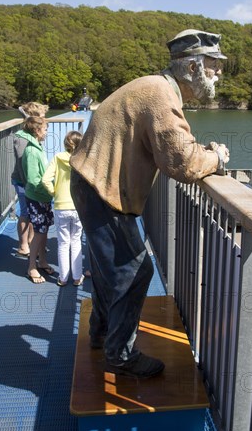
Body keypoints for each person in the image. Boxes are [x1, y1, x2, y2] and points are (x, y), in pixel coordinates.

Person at [69, 29, 230, 378]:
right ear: (192, 67)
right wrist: (216, 157)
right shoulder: (160, 96)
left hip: (90, 182)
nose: (218, 74)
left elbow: (174, 148)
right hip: (100, 189)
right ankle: (120, 355)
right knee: (134, 271)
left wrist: (199, 153)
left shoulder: (156, 87)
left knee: (109, 268)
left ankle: (100, 333)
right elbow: (183, 163)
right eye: (214, 66)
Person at [42, 131, 85, 287]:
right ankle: (77, 277)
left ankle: (63, 278)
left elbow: (45, 180)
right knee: (76, 241)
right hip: (78, 206)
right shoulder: (83, 160)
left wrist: (55, 193)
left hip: (61, 206)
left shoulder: (57, 158)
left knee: (63, 243)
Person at [11, 102, 48, 256]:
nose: (46, 120)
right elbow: (21, 164)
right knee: (26, 213)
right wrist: (29, 186)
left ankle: (33, 242)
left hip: (30, 183)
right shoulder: (21, 139)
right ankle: (23, 245)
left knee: (32, 214)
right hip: (23, 182)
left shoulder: (32, 135)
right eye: (43, 117)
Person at [22, 116, 54, 284]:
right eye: (46, 129)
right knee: (40, 231)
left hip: (43, 197)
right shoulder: (32, 151)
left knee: (44, 229)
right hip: (37, 198)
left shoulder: (37, 147)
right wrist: (52, 190)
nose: (47, 132)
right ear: (37, 130)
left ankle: (42, 261)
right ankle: (31, 267)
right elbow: (34, 180)